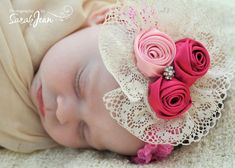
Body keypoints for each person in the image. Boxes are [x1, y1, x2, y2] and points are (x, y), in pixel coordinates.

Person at [0, 0, 234, 165]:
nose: (61, 113)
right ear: (102, 18)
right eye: (79, 84)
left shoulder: (29, 134)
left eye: (84, 132)